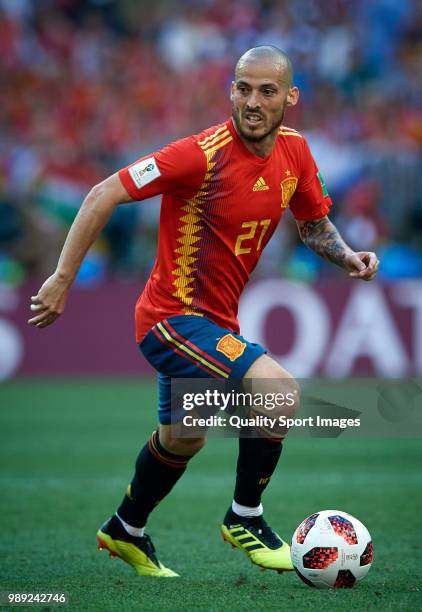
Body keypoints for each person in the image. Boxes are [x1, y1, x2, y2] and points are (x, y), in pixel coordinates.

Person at [28, 46, 379, 578]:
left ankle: (125, 526)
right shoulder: (199, 154)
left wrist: (347, 255)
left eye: (266, 90)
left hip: (215, 324)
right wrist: (61, 278)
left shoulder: (297, 152)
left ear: (291, 96)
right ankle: (247, 518)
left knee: (183, 437)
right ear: (230, 91)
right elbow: (103, 193)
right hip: (170, 320)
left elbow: (312, 226)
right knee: (278, 391)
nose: (253, 101)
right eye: (243, 88)